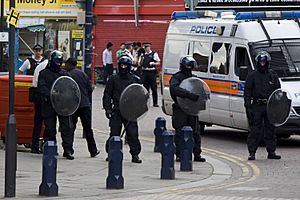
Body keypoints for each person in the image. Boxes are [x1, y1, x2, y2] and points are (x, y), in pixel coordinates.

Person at [103, 56, 142, 163]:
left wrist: (139, 109)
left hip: (130, 111)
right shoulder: (113, 79)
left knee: (132, 134)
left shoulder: (135, 79)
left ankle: (135, 154)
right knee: (114, 133)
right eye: (122, 65)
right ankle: (111, 152)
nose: (123, 67)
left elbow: (141, 95)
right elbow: (107, 95)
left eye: (126, 65)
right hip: (117, 110)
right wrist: (107, 109)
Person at [244, 51, 281, 161]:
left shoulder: (273, 76)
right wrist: (248, 107)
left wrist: (278, 107)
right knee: (255, 130)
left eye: (264, 62)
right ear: (257, 62)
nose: (262, 64)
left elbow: (278, 92)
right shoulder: (252, 76)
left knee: (271, 129)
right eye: (261, 62)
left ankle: (271, 151)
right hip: (257, 106)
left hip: (270, 106)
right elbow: (247, 93)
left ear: (268, 62)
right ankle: (252, 152)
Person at [38, 50, 74, 160]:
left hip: (63, 105)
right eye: (56, 62)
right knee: (50, 128)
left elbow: (70, 88)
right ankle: (50, 148)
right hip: (49, 104)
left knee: (66, 128)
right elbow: (41, 88)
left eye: (60, 62)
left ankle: (68, 150)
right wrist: (52, 94)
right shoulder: (44, 73)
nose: (58, 64)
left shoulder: (64, 74)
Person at [169, 56, 206, 162]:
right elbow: (174, 89)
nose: (189, 67)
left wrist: (202, 98)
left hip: (192, 109)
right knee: (180, 132)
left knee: (195, 132)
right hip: (180, 108)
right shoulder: (177, 77)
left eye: (191, 65)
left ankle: (197, 154)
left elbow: (201, 92)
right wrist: (189, 95)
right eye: (187, 65)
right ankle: (179, 154)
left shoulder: (195, 79)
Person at [65, 58, 100, 158]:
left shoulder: (68, 75)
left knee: (70, 128)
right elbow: (89, 89)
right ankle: (93, 150)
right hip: (85, 105)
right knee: (88, 128)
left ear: (69, 65)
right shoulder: (83, 74)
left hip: (73, 106)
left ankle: (68, 150)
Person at [30, 50, 52, 154]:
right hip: (43, 97)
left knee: (38, 122)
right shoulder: (47, 66)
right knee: (48, 122)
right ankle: (46, 145)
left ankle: (34, 145)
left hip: (36, 95)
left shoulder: (40, 65)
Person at [141, 43, 160, 107]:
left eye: (147, 47)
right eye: (145, 47)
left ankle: (155, 103)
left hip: (151, 72)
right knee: (145, 88)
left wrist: (153, 63)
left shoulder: (154, 54)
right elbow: (140, 63)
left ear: (149, 47)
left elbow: (158, 62)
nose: (146, 48)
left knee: (154, 88)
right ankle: (146, 103)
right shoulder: (143, 55)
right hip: (145, 72)